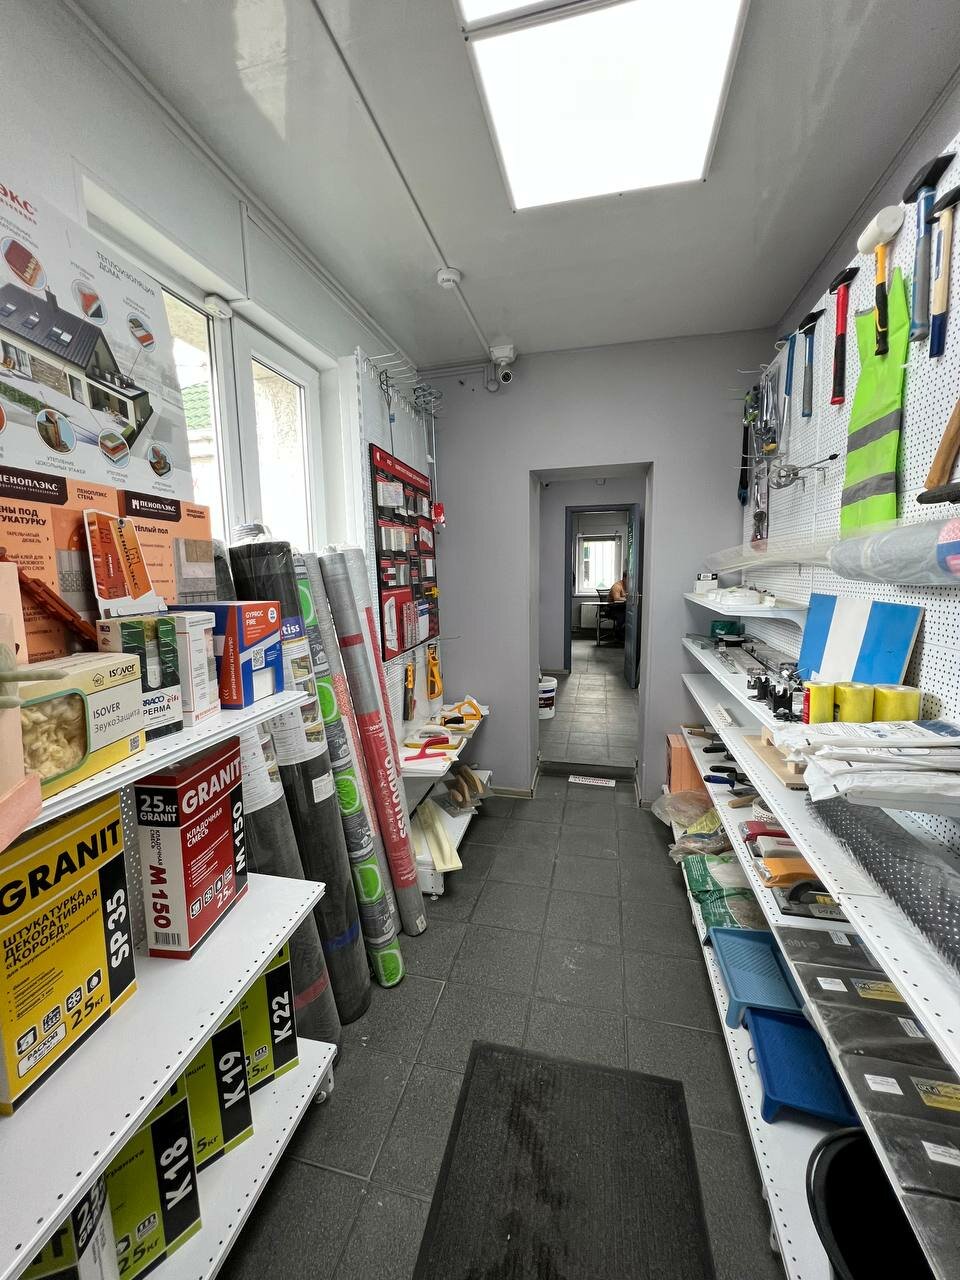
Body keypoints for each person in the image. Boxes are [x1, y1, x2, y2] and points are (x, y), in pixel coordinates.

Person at [607, 570, 628, 639]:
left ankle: (623, 633)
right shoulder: (617, 586)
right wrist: (628, 599)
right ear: (624, 578)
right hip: (613, 609)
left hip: (622, 608)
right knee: (624, 615)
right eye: (629, 579)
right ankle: (618, 633)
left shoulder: (627, 586)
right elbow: (616, 598)